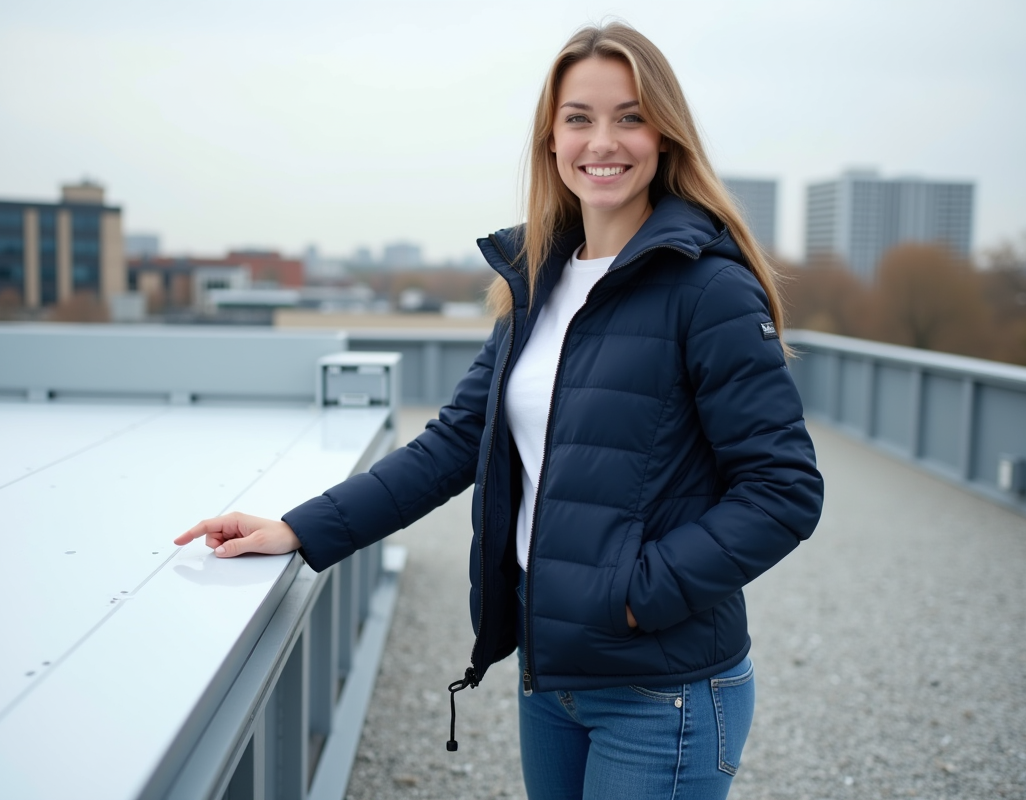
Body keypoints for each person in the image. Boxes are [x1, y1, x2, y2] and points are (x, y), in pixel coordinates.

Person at [175, 22, 823, 800]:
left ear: (665, 135)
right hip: (550, 680)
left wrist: (633, 595)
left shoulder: (708, 289)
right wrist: (298, 529)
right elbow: (454, 445)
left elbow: (784, 490)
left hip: (666, 692)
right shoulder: (535, 284)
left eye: (629, 115)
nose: (602, 141)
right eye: (579, 117)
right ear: (552, 140)